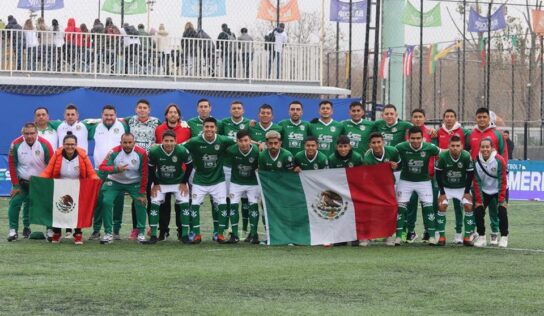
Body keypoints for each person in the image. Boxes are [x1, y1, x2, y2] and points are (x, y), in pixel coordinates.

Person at [184, 117, 236, 243]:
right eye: (206, 127)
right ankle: (196, 234)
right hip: (199, 180)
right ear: (203, 128)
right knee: (194, 206)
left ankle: (220, 234)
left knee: (222, 205)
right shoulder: (195, 141)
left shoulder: (223, 140)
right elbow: (181, 149)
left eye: (212, 127)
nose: (209, 129)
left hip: (218, 180)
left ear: (216, 128)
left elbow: (240, 143)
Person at [40, 132, 97, 245]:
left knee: (77, 210)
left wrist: (96, 181)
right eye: (67, 144)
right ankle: (57, 232)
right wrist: (39, 181)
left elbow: (91, 172)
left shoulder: (83, 155)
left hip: (78, 186)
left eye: (72, 144)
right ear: (63, 144)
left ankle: (78, 233)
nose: (70, 147)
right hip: (60, 186)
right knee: (59, 209)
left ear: (76, 145)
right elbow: (48, 171)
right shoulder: (57, 155)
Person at [467, 107, 508, 245]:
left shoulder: (498, 134)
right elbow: (465, 150)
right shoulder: (471, 134)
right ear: (476, 119)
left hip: (495, 177)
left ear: (489, 119)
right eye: (479, 117)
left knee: (496, 208)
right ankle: (478, 233)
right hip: (478, 176)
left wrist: (504, 169)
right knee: (477, 206)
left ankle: (495, 233)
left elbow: (503, 153)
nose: (482, 119)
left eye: (485, 117)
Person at [98, 133, 148, 244]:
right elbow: (102, 167)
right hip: (115, 181)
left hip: (134, 182)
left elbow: (145, 174)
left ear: (134, 143)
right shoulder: (114, 152)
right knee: (106, 201)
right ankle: (108, 233)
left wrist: (142, 191)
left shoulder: (142, 153)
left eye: (130, 142)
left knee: (141, 203)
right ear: (120, 143)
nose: (127, 145)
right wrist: (116, 169)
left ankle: (141, 233)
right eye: (124, 142)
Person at [87, 105, 128, 240]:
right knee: (98, 201)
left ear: (116, 115)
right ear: (102, 115)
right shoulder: (94, 127)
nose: (109, 117)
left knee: (118, 201)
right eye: (106, 115)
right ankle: (96, 230)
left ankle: (116, 230)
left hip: (118, 171)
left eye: (111, 115)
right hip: (100, 170)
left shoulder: (124, 126)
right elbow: (76, 124)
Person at [394, 126, 440, 246]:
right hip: (405, 181)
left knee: (428, 208)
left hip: (423, 181)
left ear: (422, 138)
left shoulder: (429, 147)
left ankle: (431, 236)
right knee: (401, 208)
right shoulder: (400, 147)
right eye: (413, 138)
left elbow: (442, 153)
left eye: (418, 138)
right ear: (408, 138)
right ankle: (398, 236)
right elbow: (390, 153)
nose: (415, 141)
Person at [7, 123, 53, 241]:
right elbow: (12, 165)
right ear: (22, 134)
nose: (29, 136)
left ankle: (50, 230)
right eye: (26, 133)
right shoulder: (15, 144)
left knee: (48, 204)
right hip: (23, 183)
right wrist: (15, 185)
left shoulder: (45, 144)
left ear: (37, 133)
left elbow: (52, 165)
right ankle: (13, 231)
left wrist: (48, 182)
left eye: (32, 133)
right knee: (14, 203)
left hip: (41, 182)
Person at [148, 130, 193, 244]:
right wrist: (156, 184)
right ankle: (153, 236)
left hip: (178, 182)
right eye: (166, 141)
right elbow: (151, 168)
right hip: (161, 182)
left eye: (171, 141)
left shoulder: (182, 150)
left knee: (184, 206)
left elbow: (190, 166)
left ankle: (184, 235)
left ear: (176, 141)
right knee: (154, 205)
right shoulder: (154, 151)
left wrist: (184, 182)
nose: (168, 143)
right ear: (161, 141)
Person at [124, 99, 160, 240]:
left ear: (149, 110)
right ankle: (136, 228)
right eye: (140, 107)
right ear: (136, 109)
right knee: (136, 196)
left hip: (151, 163)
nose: (142, 110)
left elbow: (165, 134)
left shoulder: (157, 122)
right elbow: (115, 119)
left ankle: (152, 226)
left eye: (145, 108)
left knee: (151, 196)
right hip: (135, 164)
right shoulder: (130, 120)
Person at [154, 104, 191, 240]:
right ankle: (163, 231)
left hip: (181, 172)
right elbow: (157, 147)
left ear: (179, 115)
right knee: (163, 204)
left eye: (175, 112)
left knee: (180, 204)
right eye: (170, 112)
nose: (173, 114)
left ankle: (182, 232)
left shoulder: (187, 129)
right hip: (163, 173)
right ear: (166, 115)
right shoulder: (159, 129)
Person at [435, 109, 470, 244]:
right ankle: (437, 232)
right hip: (443, 173)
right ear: (443, 118)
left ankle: (458, 233)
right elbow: (433, 147)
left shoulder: (464, 132)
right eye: (447, 116)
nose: (449, 118)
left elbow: (472, 142)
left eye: (451, 116)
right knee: (439, 203)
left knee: (459, 206)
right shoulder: (438, 132)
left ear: (456, 118)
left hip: (460, 174)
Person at [218, 101, 250, 237]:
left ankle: (244, 228)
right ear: (230, 110)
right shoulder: (223, 123)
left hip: (242, 167)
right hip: (226, 166)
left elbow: (251, 141)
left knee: (244, 199)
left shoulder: (250, 124)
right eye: (234, 108)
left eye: (239, 108)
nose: (236, 110)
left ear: (243, 110)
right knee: (227, 199)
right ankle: (225, 228)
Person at [225, 130, 260, 244]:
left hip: (253, 183)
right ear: (237, 142)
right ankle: (234, 235)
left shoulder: (257, 151)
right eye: (241, 141)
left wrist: (260, 145)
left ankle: (254, 234)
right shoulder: (231, 150)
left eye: (246, 140)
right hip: (236, 182)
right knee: (233, 206)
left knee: (253, 206)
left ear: (250, 141)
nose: (244, 144)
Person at [472, 138, 509, 248]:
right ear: (480, 148)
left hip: (499, 189)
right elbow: (477, 181)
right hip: (485, 190)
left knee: (502, 211)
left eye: (487, 147)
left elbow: (503, 180)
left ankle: (504, 237)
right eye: (482, 147)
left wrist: (501, 198)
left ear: (492, 148)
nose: (485, 149)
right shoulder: (476, 161)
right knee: (478, 211)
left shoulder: (499, 160)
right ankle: (482, 236)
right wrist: (479, 200)